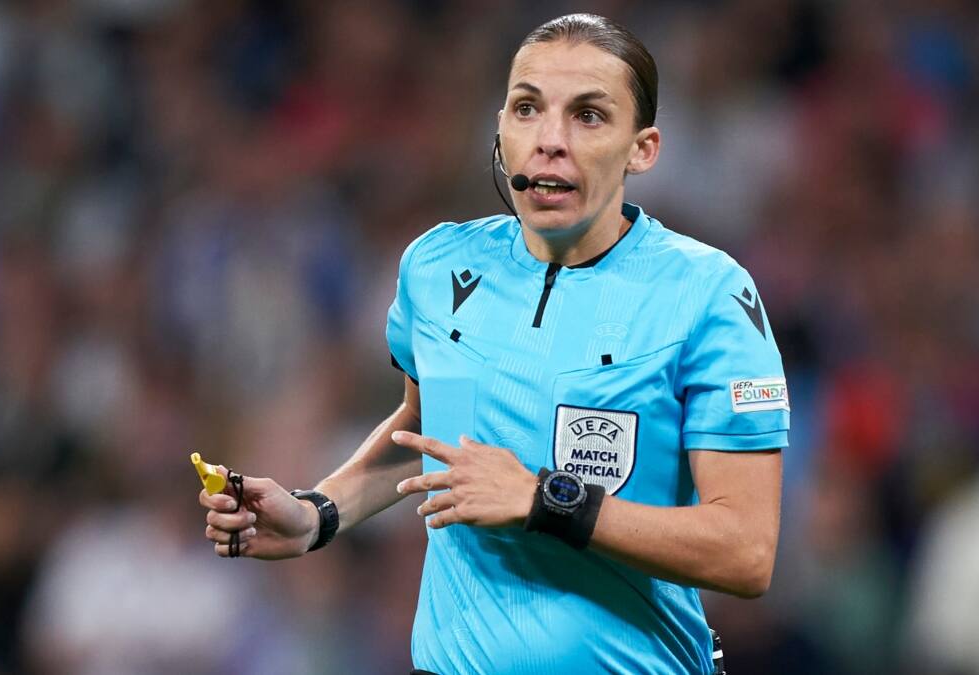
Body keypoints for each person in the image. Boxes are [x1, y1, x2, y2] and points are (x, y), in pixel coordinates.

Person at [201, 13, 789, 674]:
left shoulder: (707, 294)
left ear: (642, 149)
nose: (550, 141)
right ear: (500, 128)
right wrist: (317, 513)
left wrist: (548, 500)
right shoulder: (436, 269)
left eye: (588, 116)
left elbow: (746, 552)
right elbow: (426, 432)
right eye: (527, 109)